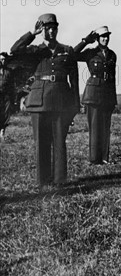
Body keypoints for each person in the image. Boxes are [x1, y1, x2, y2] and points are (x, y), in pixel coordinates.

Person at [10, 14, 79, 185]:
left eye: (54, 28)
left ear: (57, 29)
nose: (51, 31)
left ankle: (60, 180)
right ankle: (43, 181)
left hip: (61, 102)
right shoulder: (35, 51)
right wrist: (31, 34)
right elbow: (15, 49)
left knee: (59, 142)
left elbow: (75, 81)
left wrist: (75, 106)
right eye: (47, 28)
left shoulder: (67, 50)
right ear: (43, 31)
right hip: (39, 101)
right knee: (41, 142)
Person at [73, 26, 117, 165]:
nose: (105, 39)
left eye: (107, 36)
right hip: (93, 94)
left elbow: (113, 77)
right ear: (97, 39)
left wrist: (113, 98)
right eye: (102, 36)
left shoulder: (112, 54)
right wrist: (85, 41)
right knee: (94, 126)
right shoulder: (90, 53)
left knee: (105, 127)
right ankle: (94, 158)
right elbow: (72, 54)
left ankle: (104, 157)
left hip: (107, 94)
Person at [0, 52, 15, 142]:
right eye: (1, 59)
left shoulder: (9, 71)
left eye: (4, 59)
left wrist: (13, 96)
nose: (3, 61)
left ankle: (2, 132)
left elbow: (12, 85)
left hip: (7, 96)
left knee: (6, 113)